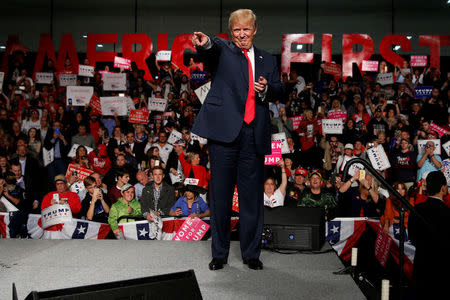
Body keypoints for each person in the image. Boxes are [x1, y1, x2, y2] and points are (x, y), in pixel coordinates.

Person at [191, 8, 283, 270]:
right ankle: (219, 254)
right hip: (224, 135)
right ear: (230, 33)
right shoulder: (224, 50)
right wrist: (205, 42)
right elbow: (210, 48)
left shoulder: (267, 58)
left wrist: (266, 89)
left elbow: (280, 88)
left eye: (246, 29)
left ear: (255, 29)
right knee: (219, 197)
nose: (242, 35)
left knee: (252, 198)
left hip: (254, 135)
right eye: (236, 30)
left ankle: (251, 253)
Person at [408, 171, 450, 299]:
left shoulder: (417, 209)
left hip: (422, 266)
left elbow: (412, 236)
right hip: (442, 270)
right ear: (443, 188)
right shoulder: (447, 212)